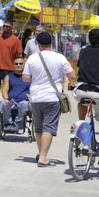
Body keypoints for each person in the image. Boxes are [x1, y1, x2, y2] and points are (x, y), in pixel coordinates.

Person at [22, 32, 75, 167]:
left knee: (39, 127)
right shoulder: (60, 57)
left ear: (38, 45)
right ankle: (43, 157)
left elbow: (25, 78)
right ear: (51, 43)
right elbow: (72, 75)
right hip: (52, 96)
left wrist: (37, 79)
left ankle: (41, 153)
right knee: (49, 127)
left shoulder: (32, 58)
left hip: (35, 97)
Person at [73, 29, 99, 170]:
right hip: (98, 92)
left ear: (89, 39)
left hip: (80, 89)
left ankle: (81, 122)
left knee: (81, 100)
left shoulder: (83, 52)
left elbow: (81, 66)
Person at [0, 21, 23, 111]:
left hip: (10, 67)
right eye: (4, 26)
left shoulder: (16, 40)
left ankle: (9, 102)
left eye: (8, 27)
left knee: (9, 87)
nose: (5, 28)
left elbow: (19, 54)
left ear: (11, 29)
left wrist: (19, 66)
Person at [0, 57, 31, 133]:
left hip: (25, 102)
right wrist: (7, 98)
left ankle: (18, 124)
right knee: (3, 102)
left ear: (24, 65)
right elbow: (4, 91)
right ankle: (7, 124)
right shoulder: (8, 77)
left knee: (24, 103)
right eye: (16, 64)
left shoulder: (29, 77)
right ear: (13, 65)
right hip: (12, 101)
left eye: (20, 63)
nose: (18, 65)